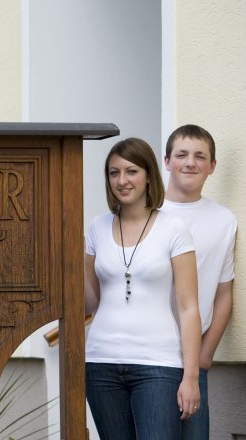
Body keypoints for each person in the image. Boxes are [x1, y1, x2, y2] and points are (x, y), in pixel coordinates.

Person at [84, 137, 202, 439]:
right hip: (101, 363)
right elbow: (90, 303)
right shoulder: (96, 228)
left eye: (131, 171)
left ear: (149, 175)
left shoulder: (173, 228)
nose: (122, 180)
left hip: (158, 365)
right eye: (114, 173)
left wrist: (191, 377)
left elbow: (189, 308)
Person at [161, 124, 237, 440]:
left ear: (212, 166)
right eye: (181, 154)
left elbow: (223, 293)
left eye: (200, 156)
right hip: (148, 354)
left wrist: (205, 354)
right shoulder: (148, 212)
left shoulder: (224, 221)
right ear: (167, 161)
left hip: (192, 358)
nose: (190, 163)